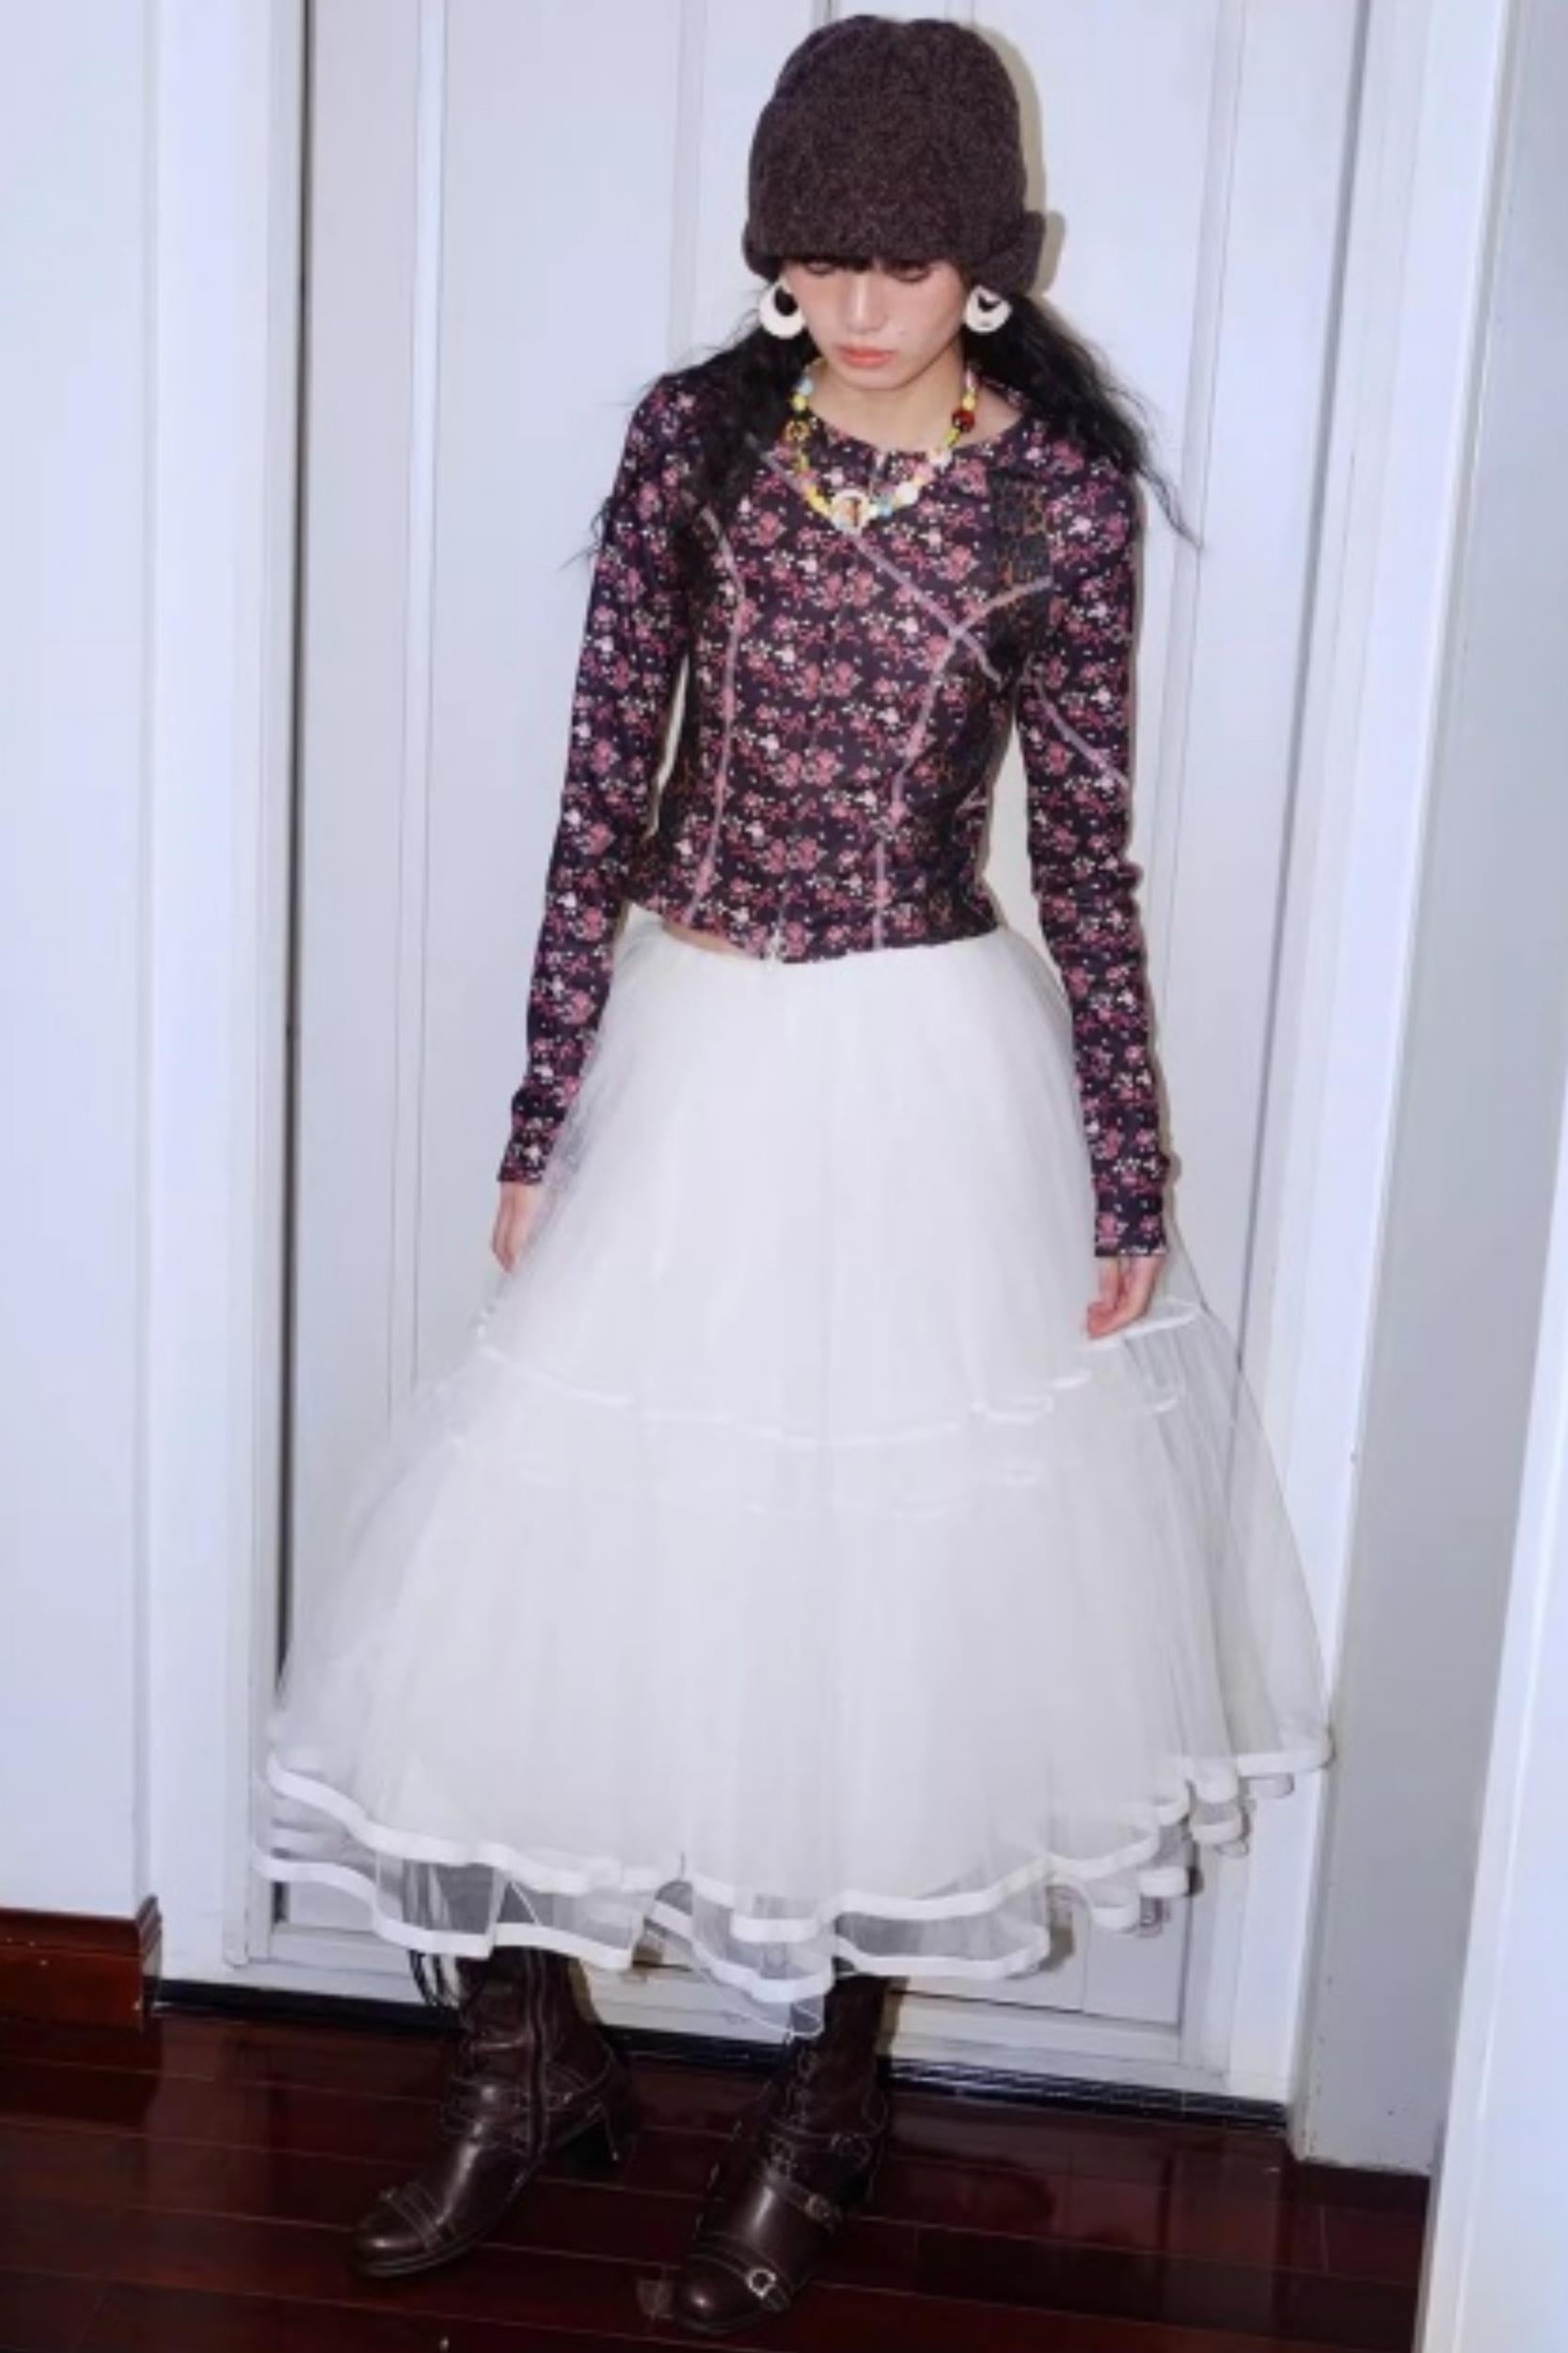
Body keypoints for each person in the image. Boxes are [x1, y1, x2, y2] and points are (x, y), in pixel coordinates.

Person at [251, 13, 1334, 2337]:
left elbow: (1089, 853)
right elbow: (595, 792)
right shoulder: (700, 442)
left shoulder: (1056, 502)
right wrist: (540, 1116)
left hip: (926, 1078)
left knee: (893, 1607)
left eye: (903, 263)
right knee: (545, 1563)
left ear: (991, 260)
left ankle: (820, 2106)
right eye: (818, 257)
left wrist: (1126, 1167)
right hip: (691, 1055)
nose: (855, 305)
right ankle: (527, 2054)